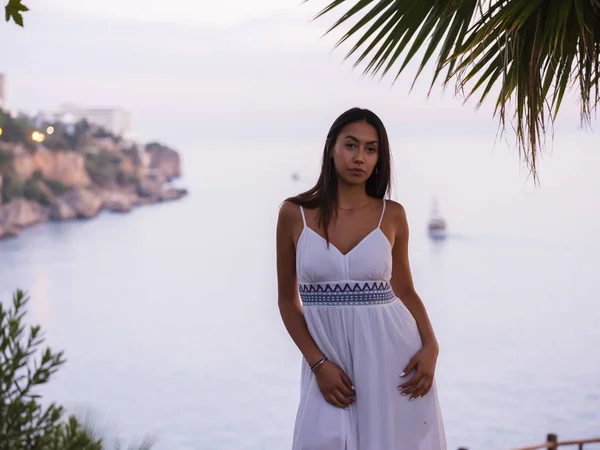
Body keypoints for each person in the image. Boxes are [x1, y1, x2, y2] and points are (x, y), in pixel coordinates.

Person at [276, 108, 446, 449]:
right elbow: (286, 300)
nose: (360, 158)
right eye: (351, 145)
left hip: (395, 363)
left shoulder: (392, 215)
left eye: (371, 149)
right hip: (328, 365)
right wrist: (318, 364)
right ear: (331, 148)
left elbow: (405, 290)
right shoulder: (294, 214)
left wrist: (431, 346)